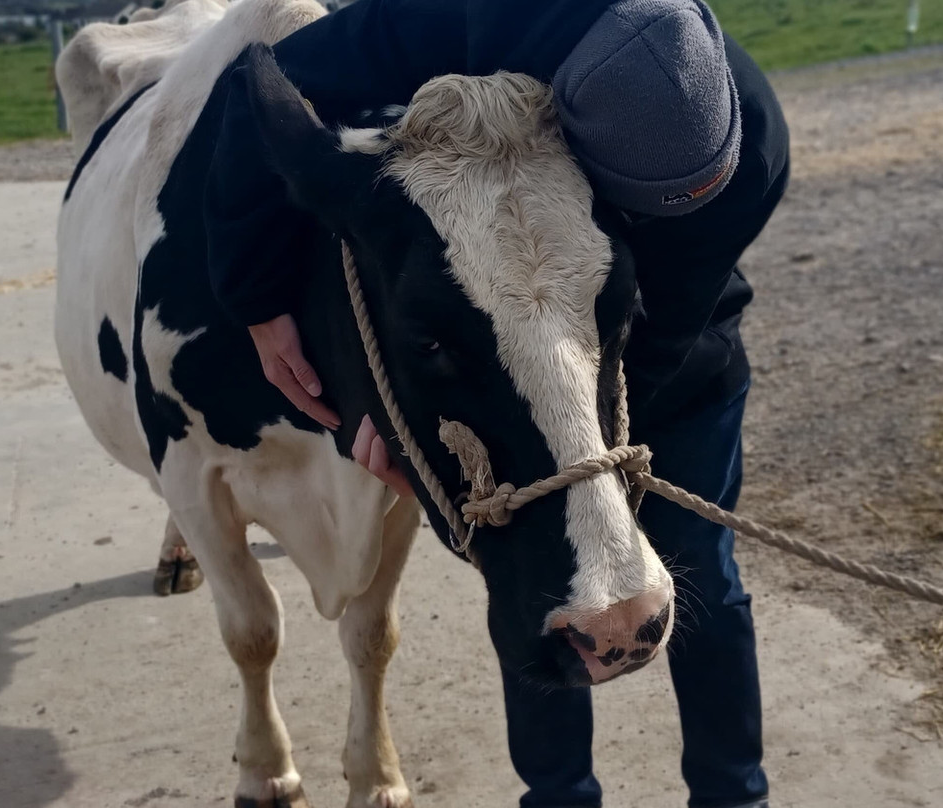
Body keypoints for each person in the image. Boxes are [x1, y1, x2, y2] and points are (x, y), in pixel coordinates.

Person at [204, 2, 790, 806]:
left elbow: (671, 318)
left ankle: (734, 797)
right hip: (523, 342)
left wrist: (581, 448)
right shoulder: (463, 15)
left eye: (688, 196)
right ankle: (556, 797)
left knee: (709, 583)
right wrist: (257, 300)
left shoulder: (753, 146)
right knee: (531, 569)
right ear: (569, 117)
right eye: (642, 201)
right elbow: (262, 87)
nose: (673, 216)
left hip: (673, 359)